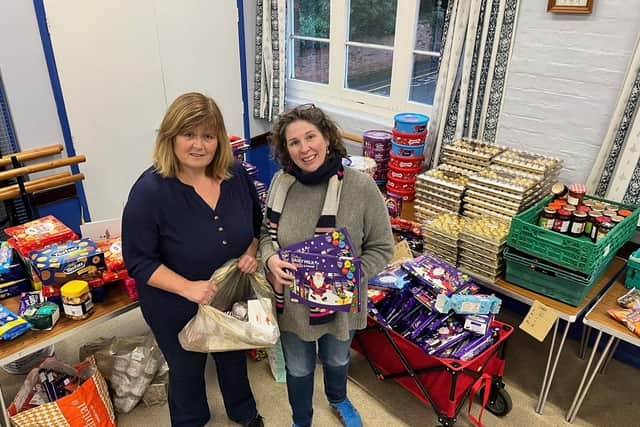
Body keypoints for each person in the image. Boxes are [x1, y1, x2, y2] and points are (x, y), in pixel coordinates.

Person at [122, 92, 264, 427]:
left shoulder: (235, 174)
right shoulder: (149, 192)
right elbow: (138, 262)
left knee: (233, 355)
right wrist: (188, 288)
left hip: (229, 293)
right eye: (189, 134)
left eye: (208, 135)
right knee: (186, 369)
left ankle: (243, 412)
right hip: (173, 303)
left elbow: (256, 226)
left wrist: (250, 253)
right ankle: (191, 420)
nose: (198, 145)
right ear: (170, 137)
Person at [259, 104, 394, 427]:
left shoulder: (360, 187)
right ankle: (301, 419)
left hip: (340, 303)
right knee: (299, 367)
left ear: (328, 138)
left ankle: (338, 397)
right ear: (286, 150)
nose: (304, 148)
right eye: (294, 142)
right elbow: (265, 233)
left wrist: (344, 276)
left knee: (336, 357)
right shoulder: (281, 183)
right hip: (291, 302)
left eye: (311, 137)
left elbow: (382, 247)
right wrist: (270, 258)